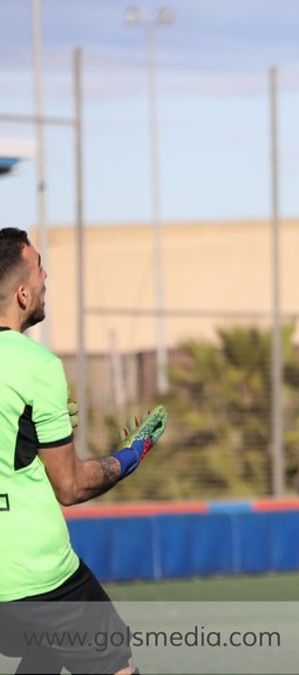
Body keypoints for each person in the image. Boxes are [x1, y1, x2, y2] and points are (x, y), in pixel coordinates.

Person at [0, 227, 168, 675]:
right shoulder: (36, 366)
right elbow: (70, 487)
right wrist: (132, 454)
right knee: (116, 661)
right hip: (33, 574)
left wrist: (31, 437)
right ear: (21, 294)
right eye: (38, 267)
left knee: (49, 647)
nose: (45, 275)